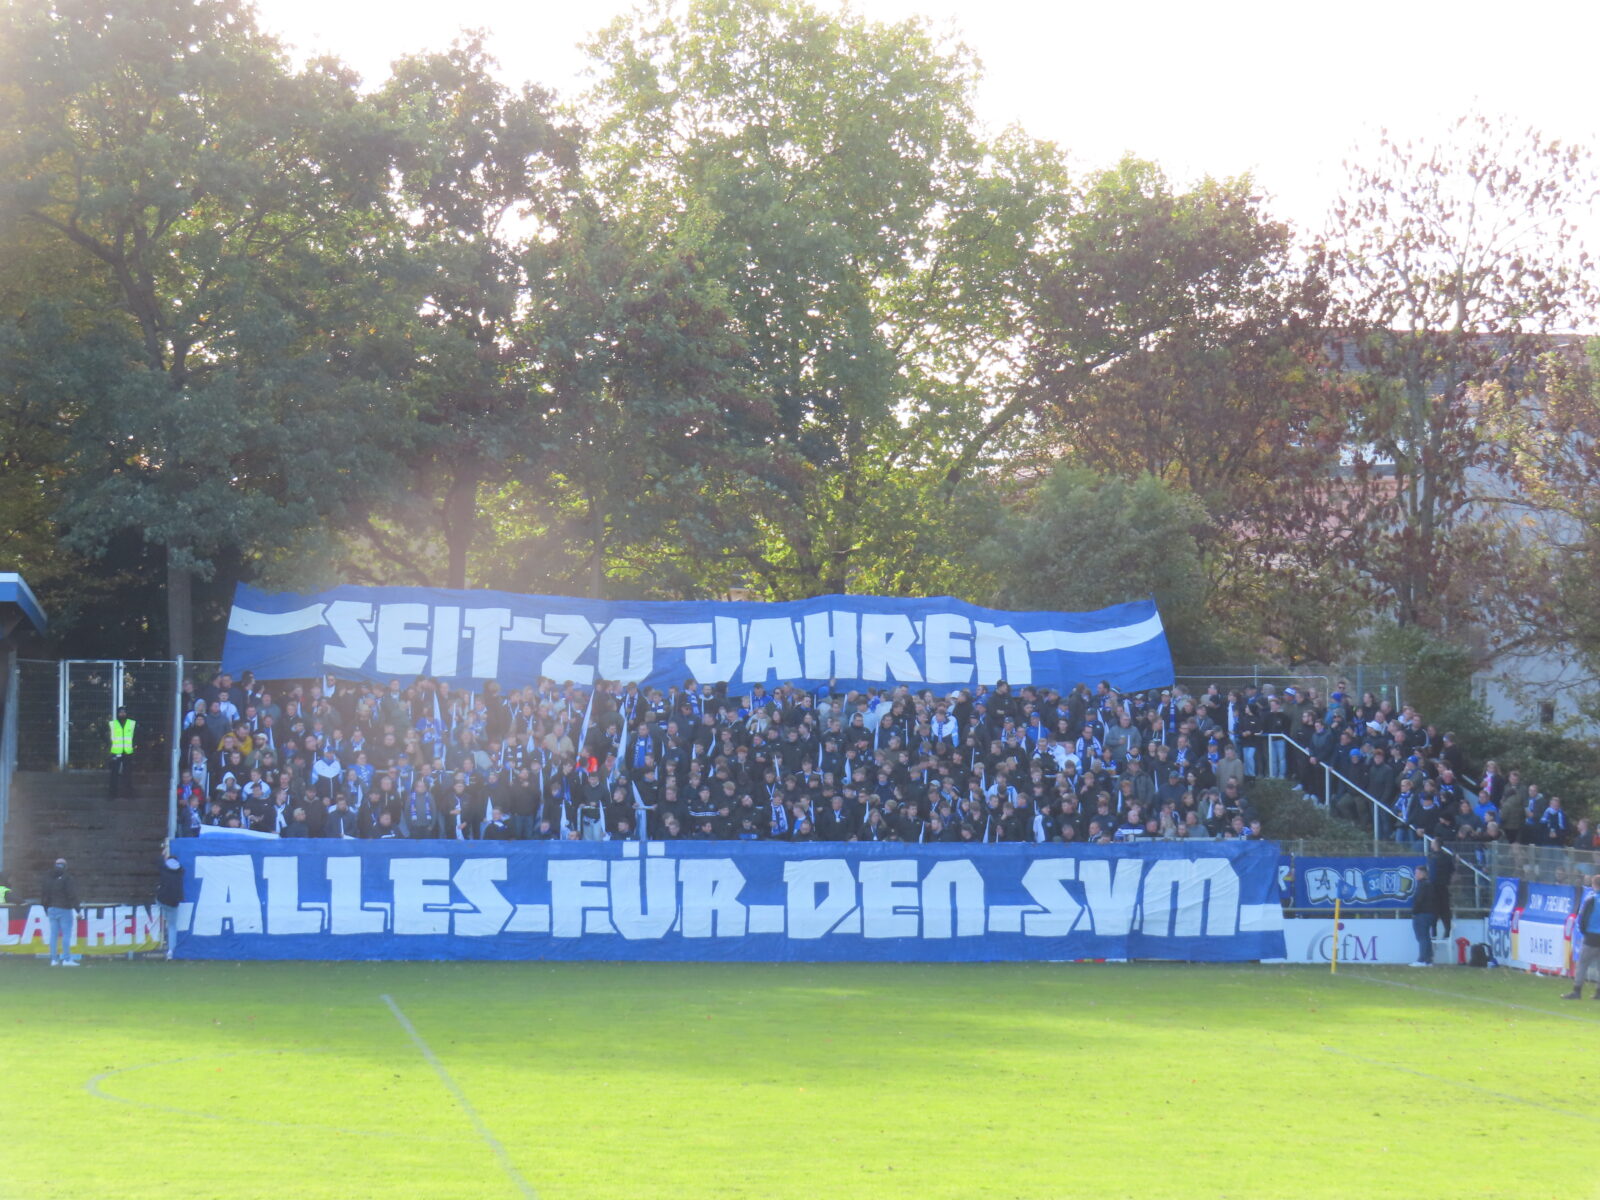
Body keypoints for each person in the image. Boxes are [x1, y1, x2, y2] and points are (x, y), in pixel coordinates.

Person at [1561, 875, 1600, 1000]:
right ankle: (1598, 993)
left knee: (1582, 964)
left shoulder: (1591, 900)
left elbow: (1582, 918)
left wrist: (1585, 932)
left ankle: (1577, 991)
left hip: (1591, 936)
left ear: (1594, 885)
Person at [41, 857, 80, 966]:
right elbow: (72, 895)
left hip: (51, 909)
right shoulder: (67, 878)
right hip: (64, 909)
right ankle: (66, 959)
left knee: (53, 935)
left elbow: (44, 894)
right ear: (65, 866)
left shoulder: (48, 878)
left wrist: (46, 909)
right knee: (66, 935)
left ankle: (53, 959)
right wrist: (78, 910)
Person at [156, 844, 184, 961]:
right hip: (174, 902)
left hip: (162, 899)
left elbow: (158, 861)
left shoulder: (163, 868)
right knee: (172, 926)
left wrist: (163, 852)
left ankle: (160, 938)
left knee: (162, 916)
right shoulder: (181, 871)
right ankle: (171, 951)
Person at [1408, 864, 1437, 968]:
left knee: (1422, 937)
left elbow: (1419, 900)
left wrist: (1414, 912)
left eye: (1416, 873)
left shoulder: (1422, 885)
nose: (1415, 875)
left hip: (1422, 914)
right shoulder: (1429, 884)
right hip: (1429, 913)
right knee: (1426, 937)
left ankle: (1422, 959)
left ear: (1422, 874)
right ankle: (1428, 959)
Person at [108, 705, 136, 799]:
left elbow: (137, 735)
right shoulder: (112, 724)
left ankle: (129, 795)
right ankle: (112, 795)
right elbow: (107, 736)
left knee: (128, 774)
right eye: (120, 712)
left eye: (124, 712)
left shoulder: (132, 724)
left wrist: (134, 745)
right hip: (116, 752)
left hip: (128, 752)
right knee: (114, 775)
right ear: (117, 714)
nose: (122, 714)